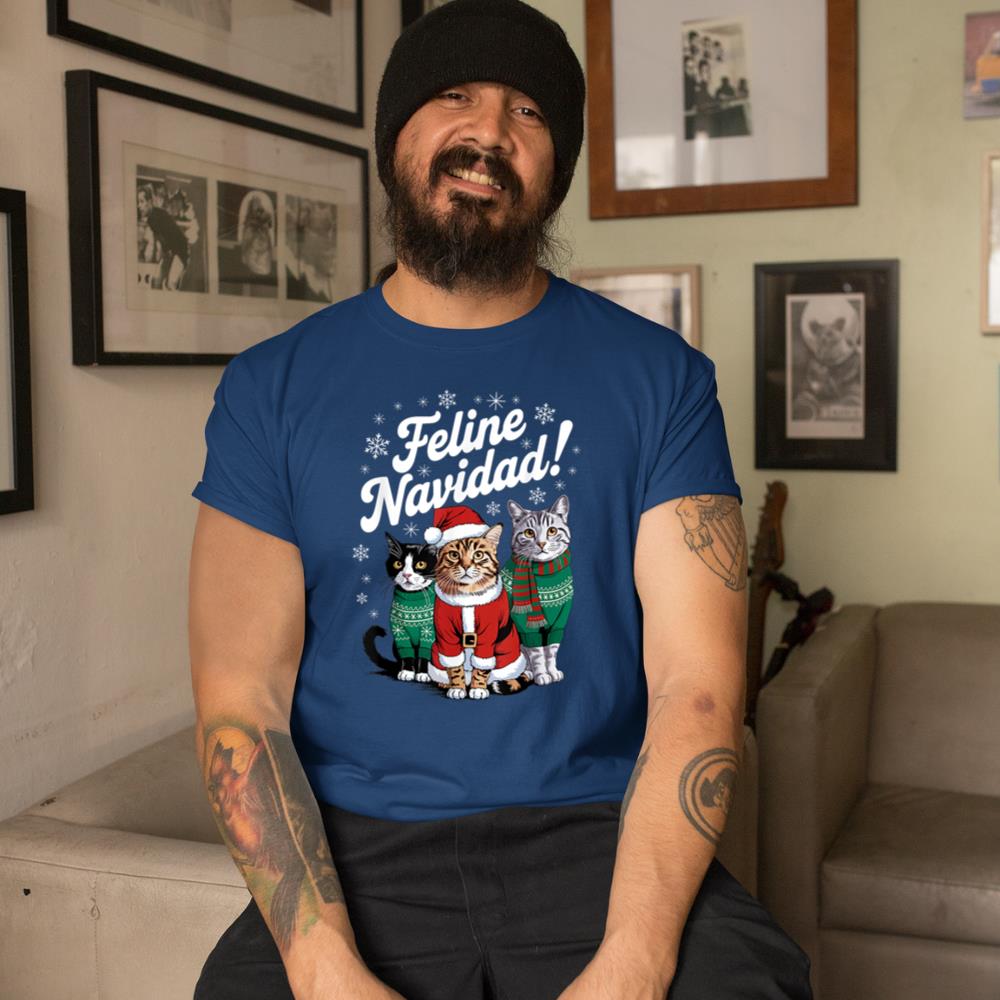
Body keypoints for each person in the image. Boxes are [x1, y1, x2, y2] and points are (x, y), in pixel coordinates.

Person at [188, 2, 814, 998]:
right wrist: (321, 967)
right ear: (395, 138)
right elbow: (240, 699)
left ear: (555, 168)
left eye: (527, 111)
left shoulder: (662, 380)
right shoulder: (271, 389)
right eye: (454, 97)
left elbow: (696, 685)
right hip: (358, 846)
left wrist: (635, 961)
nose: (488, 132)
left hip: (597, 833)